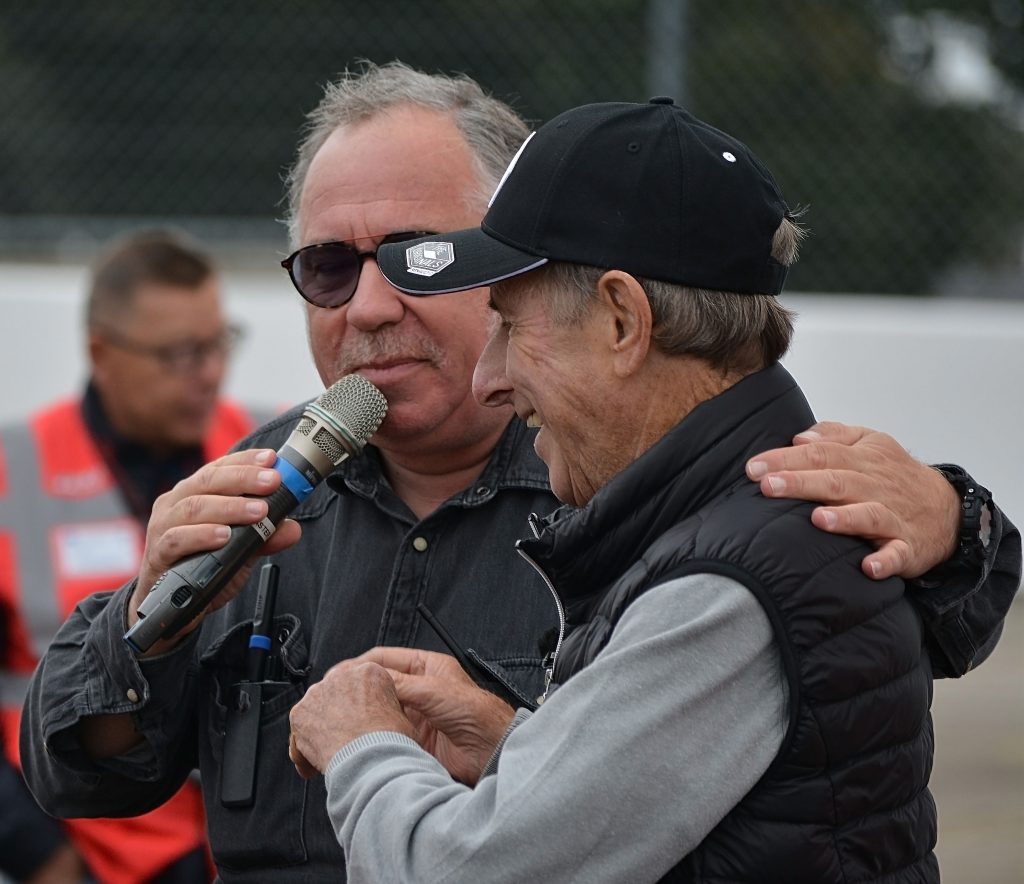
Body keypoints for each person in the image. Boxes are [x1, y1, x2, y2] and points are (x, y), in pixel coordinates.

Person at [18, 64, 1018, 882]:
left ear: (517, 266)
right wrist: (143, 622)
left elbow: (867, 633)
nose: (364, 306)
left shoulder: (631, 483)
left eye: (415, 257)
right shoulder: (255, 487)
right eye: (327, 266)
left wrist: (952, 523)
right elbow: (86, 778)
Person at [288, 97, 1023, 882]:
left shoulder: (729, 581)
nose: (490, 377)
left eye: (509, 325)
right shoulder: (740, 528)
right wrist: (522, 750)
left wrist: (363, 746)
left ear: (622, 321)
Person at [1, 229, 261, 883]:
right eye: (179, 354)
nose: (208, 373)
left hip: (239, 851)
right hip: (84, 851)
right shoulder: (13, 471)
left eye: (217, 344)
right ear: (100, 352)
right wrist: (40, 856)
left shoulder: (267, 455)